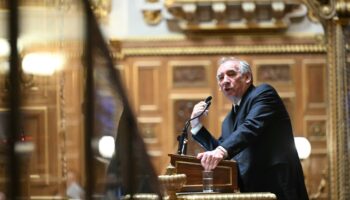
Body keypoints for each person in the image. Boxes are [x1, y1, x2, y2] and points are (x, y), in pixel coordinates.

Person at [190, 57, 309, 200]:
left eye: (231, 74)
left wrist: (220, 151)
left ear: (247, 77)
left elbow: (250, 127)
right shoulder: (228, 119)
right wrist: (196, 125)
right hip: (252, 190)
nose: (225, 80)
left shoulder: (263, 94)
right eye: (221, 78)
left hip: (279, 187)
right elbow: (222, 149)